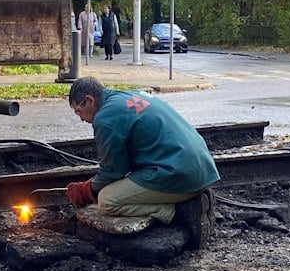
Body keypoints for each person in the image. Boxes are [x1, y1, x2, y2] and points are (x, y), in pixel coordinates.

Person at [66, 77, 220, 248]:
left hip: (181, 175)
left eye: (78, 112)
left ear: (89, 100)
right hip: (201, 168)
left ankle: (178, 211)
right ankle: (184, 199)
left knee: (107, 201)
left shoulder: (104, 118)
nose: (81, 119)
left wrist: (87, 190)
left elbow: (114, 171)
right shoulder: (128, 95)